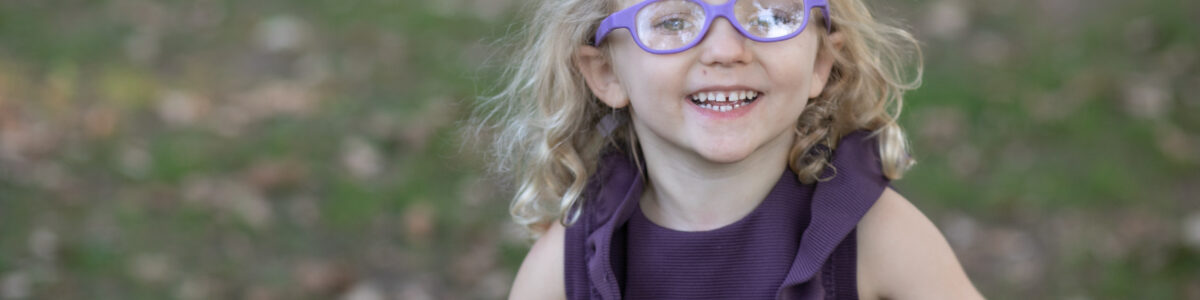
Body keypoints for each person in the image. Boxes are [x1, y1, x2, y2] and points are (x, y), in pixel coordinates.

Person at [477, 0, 983, 298]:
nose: (725, 51)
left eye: (767, 13)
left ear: (820, 63)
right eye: (674, 20)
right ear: (606, 73)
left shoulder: (878, 238)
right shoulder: (570, 266)